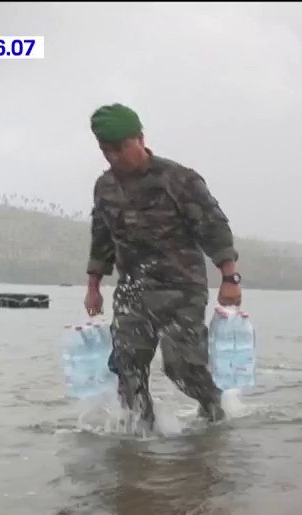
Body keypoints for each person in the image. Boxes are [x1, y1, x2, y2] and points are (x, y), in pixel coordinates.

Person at [82, 103, 242, 429]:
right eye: (105, 150)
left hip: (182, 289)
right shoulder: (105, 187)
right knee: (127, 365)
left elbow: (214, 228)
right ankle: (138, 441)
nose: (113, 157)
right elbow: (101, 237)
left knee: (181, 367)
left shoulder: (179, 180)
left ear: (140, 138)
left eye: (119, 148)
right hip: (133, 290)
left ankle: (214, 412)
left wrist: (230, 278)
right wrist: (93, 287)